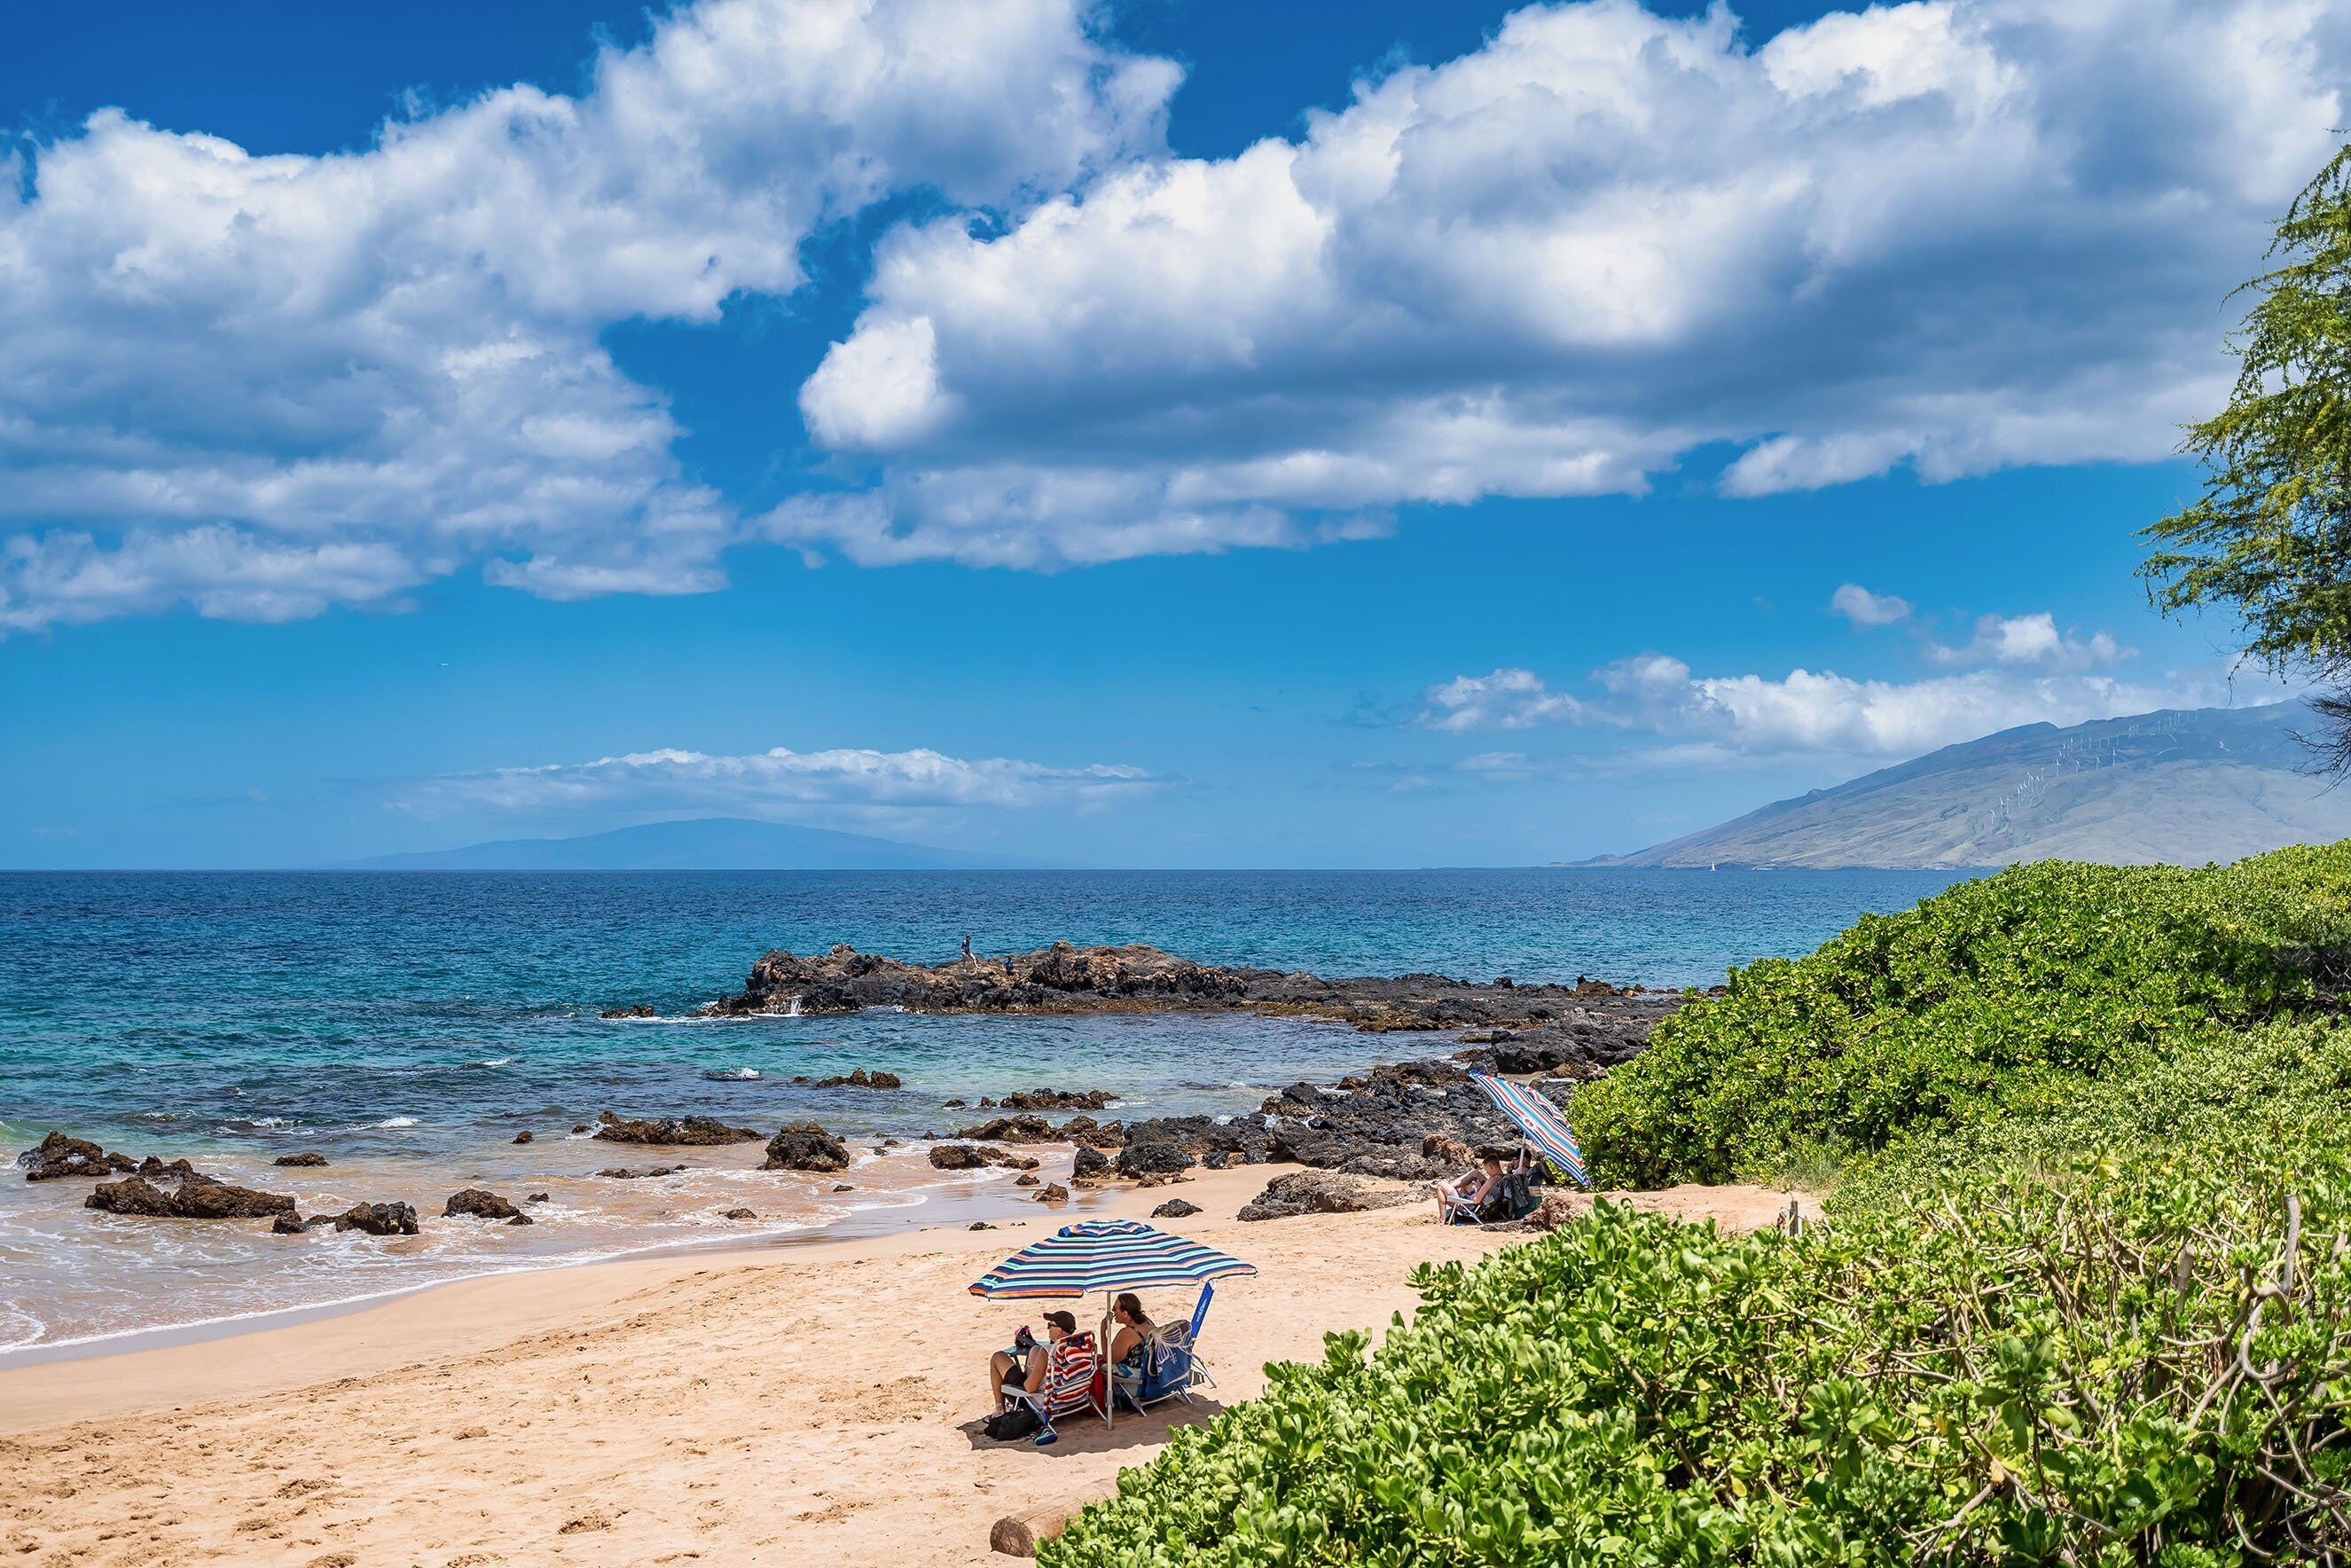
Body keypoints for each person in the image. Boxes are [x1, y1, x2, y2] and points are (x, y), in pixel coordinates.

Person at [990, 1310, 1077, 1412]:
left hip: (1038, 1401)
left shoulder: (1048, 1352)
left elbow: (1030, 1388)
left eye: (1050, 1325)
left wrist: (1027, 1376)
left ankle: (1000, 1410)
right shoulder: (1079, 1349)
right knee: (1035, 1349)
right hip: (1067, 1397)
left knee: (998, 1357)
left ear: (1059, 1331)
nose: (1048, 1329)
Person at [1430, 1153, 1505, 1223]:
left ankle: (1442, 1218)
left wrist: (1478, 1188)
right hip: (1477, 1202)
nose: (1487, 1172)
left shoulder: (1492, 1180)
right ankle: (1448, 1188)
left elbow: (1476, 1200)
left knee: (1440, 1185)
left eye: (1486, 1169)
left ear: (1490, 1167)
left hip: (1467, 1205)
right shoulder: (1502, 1178)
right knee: (1474, 1174)